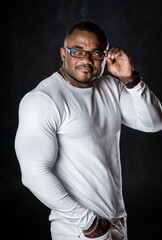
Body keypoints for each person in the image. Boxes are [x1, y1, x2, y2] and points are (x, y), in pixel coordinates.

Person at [15, 21, 162, 240]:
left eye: (95, 53)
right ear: (64, 53)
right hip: (79, 229)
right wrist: (88, 223)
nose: (86, 59)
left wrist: (130, 80)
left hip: (116, 222)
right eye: (77, 51)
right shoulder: (43, 99)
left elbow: (154, 122)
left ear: (105, 56)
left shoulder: (111, 87)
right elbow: (34, 173)